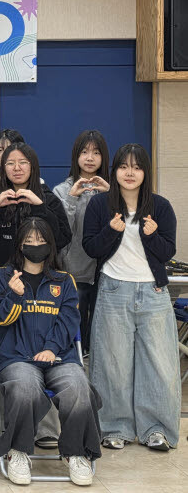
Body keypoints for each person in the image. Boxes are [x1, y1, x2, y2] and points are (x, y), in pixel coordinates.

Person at [0, 217, 101, 486]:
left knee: (78, 386)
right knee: (25, 387)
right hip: (17, 358)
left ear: (50, 245)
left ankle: (76, 453)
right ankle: (18, 451)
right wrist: (14, 295)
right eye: (29, 241)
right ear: (19, 245)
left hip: (59, 357)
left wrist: (51, 348)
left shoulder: (64, 280)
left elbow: (69, 321)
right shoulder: (3, 276)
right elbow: (0, 319)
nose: (35, 245)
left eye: (40, 241)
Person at [83, 143, 180, 451]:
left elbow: (168, 251)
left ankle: (157, 429)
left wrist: (151, 235)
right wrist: (112, 231)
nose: (130, 172)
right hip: (113, 289)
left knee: (160, 363)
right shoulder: (100, 205)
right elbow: (91, 248)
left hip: (153, 291)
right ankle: (114, 427)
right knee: (112, 363)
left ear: (145, 172)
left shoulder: (161, 206)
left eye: (137, 167)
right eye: (124, 166)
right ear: (115, 171)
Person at [0, 142, 71, 290]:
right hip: (1, 283)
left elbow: (62, 239)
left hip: (42, 284)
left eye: (23, 162)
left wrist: (40, 207)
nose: (17, 168)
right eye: (10, 163)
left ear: (32, 166)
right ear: (3, 168)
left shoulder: (48, 199)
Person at [52, 130, 110, 353]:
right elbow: (60, 232)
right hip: (73, 272)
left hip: (106, 273)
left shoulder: (112, 190)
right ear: (76, 156)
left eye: (96, 153)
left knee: (101, 338)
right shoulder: (61, 190)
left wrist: (111, 196)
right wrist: (72, 198)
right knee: (74, 338)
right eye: (84, 152)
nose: (90, 158)